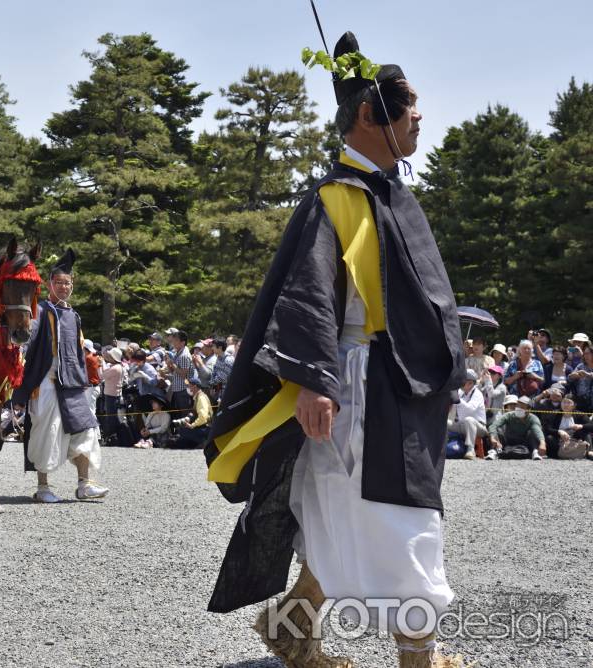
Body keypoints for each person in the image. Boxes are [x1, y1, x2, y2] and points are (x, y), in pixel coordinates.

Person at [204, 30, 467, 668]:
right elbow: (308, 294)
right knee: (400, 518)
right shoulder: (337, 199)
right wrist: (317, 380)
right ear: (374, 115)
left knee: (343, 515)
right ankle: (419, 657)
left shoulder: (390, 194)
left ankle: (292, 627)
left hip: (394, 385)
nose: (420, 116)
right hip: (357, 390)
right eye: (409, 105)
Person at [12, 249, 108, 503]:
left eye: (68, 283)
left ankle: (84, 484)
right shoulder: (41, 311)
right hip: (45, 383)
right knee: (47, 433)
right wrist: (19, 390)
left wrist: (85, 385)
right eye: (59, 283)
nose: (64, 287)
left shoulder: (73, 315)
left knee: (85, 431)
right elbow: (26, 345)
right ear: (49, 284)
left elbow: (77, 353)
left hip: (74, 385)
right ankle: (43, 487)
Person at [487, 395, 546, 460]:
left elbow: (537, 431)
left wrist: (542, 443)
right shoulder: (509, 415)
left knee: (533, 432)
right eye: (518, 406)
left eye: (522, 407)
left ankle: (535, 452)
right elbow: (493, 425)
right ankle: (494, 451)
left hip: (525, 443)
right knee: (498, 430)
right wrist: (493, 438)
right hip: (508, 441)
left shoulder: (533, 418)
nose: (519, 408)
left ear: (528, 409)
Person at [447, 369, 486, 459]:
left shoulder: (477, 394)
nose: (460, 383)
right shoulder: (461, 393)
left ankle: (470, 449)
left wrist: (458, 399)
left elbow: (470, 409)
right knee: (444, 422)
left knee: (469, 419)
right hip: (462, 425)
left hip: (479, 427)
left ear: (470, 383)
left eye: (463, 381)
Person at [171, 377, 213, 449]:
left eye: (189, 386)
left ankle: (203, 441)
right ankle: (199, 442)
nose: (188, 388)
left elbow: (203, 417)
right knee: (180, 434)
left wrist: (192, 425)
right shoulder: (198, 397)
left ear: (195, 386)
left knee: (182, 433)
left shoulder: (201, 398)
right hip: (202, 427)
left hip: (205, 428)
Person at [101, 347, 126, 443]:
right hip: (114, 394)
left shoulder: (115, 368)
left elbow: (102, 375)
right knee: (112, 415)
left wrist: (101, 363)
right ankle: (112, 437)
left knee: (111, 416)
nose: (108, 356)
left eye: (110, 355)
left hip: (111, 395)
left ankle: (112, 437)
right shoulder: (118, 366)